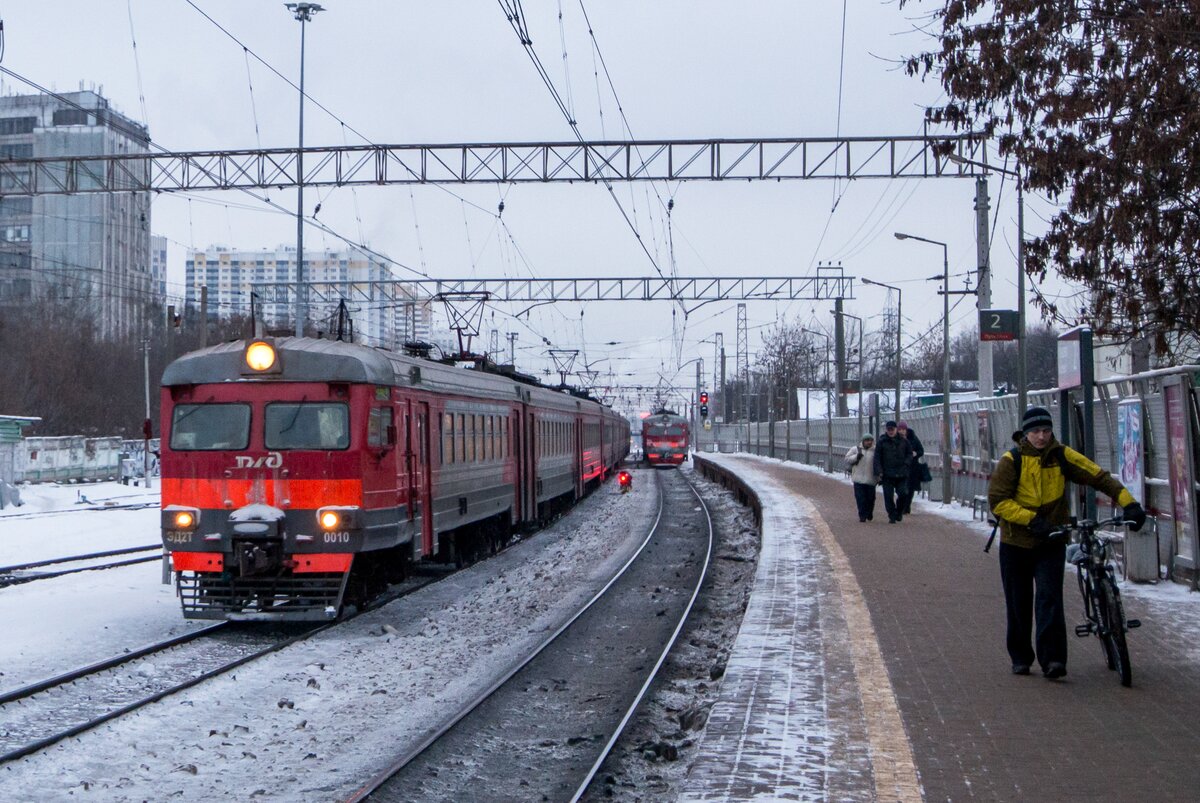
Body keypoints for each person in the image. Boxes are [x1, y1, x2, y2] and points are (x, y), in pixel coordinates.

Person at [987, 406, 1147, 679]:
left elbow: (1098, 476)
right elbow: (998, 502)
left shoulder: (1060, 455)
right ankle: (1021, 657)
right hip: (1017, 543)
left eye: (1046, 431)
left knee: (1050, 598)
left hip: (1051, 540)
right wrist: (1031, 520)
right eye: (1036, 431)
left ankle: (1053, 660)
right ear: (1026, 433)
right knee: (1019, 602)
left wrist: (1129, 503)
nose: (1041, 437)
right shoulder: (1011, 460)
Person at [873, 420, 913, 524]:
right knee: (888, 496)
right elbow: (877, 458)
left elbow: (909, 453)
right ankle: (892, 515)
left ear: (896, 429)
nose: (890, 431)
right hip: (887, 474)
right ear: (886, 430)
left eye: (892, 429)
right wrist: (879, 471)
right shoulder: (882, 441)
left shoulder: (904, 441)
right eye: (888, 429)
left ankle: (899, 511)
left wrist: (907, 463)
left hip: (901, 473)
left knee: (903, 493)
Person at [844, 433, 879, 522]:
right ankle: (862, 515)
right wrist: (856, 457)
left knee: (871, 499)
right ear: (863, 441)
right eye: (867, 440)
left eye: (870, 440)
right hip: (858, 479)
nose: (869, 442)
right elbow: (847, 458)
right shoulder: (856, 449)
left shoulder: (876, 451)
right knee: (860, 498)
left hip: (871, 479)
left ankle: (869, 512)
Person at [896, 420, 924, 515]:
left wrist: (915, 453)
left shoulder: (913, 438)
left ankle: (907, 506)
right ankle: (902, 505)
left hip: (912, 467)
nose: (902, 431)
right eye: (900, 429)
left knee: (910, 488)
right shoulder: (894, 439)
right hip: (900, 467)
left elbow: (921, 450)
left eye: (904, 429)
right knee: (902, 488)